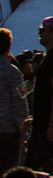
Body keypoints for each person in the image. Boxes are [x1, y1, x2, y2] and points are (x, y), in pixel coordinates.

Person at [26, 20, 53, 177]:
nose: (39, 33)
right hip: (44, 123)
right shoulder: (50, 57)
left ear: (52, 33)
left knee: (28, 169)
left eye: (42, 30)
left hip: (49, 125)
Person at [0, 30, 25, 169]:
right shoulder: (13, 72)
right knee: (7, 169)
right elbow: (20, 101)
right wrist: (23, 130)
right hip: (8, 130)